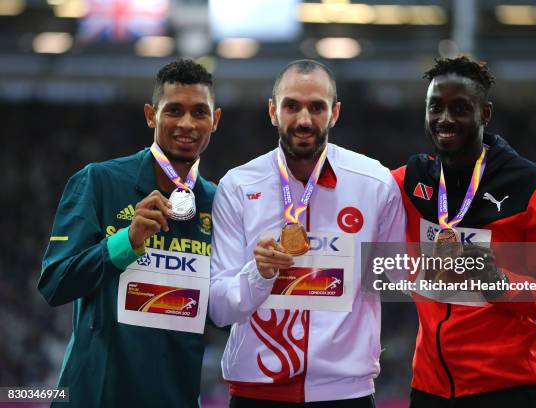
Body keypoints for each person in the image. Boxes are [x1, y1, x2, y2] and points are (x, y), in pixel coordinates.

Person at [208, 59, 406, 407]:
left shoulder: (374, 183)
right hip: (257, 392)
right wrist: (260, 272)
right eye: (291, 106)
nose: (303, 120)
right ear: (273, 111)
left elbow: (401, 273)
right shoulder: (238, 185)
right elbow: (220, 309)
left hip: (347, 393)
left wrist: (485, 268)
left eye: (317, 107)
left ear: (335, 113)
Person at [391, 56, 536, 407]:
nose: (445, 119)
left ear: (485, 114)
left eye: (460, 108)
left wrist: (496, 280)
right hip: (430, 391)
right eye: (435, 107)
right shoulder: (408, 181)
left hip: (511, 391)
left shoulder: (531, 185)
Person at [39, 58, 221, 407]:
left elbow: (223, 313)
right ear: (151, 115)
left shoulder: (219, 202)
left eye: (199, 112)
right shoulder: (98, 182)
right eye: (174, 110)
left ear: (215, 121)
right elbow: (54, 283)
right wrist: (127, 241)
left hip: (175, 398)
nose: (187, 123)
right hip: (95, 396)